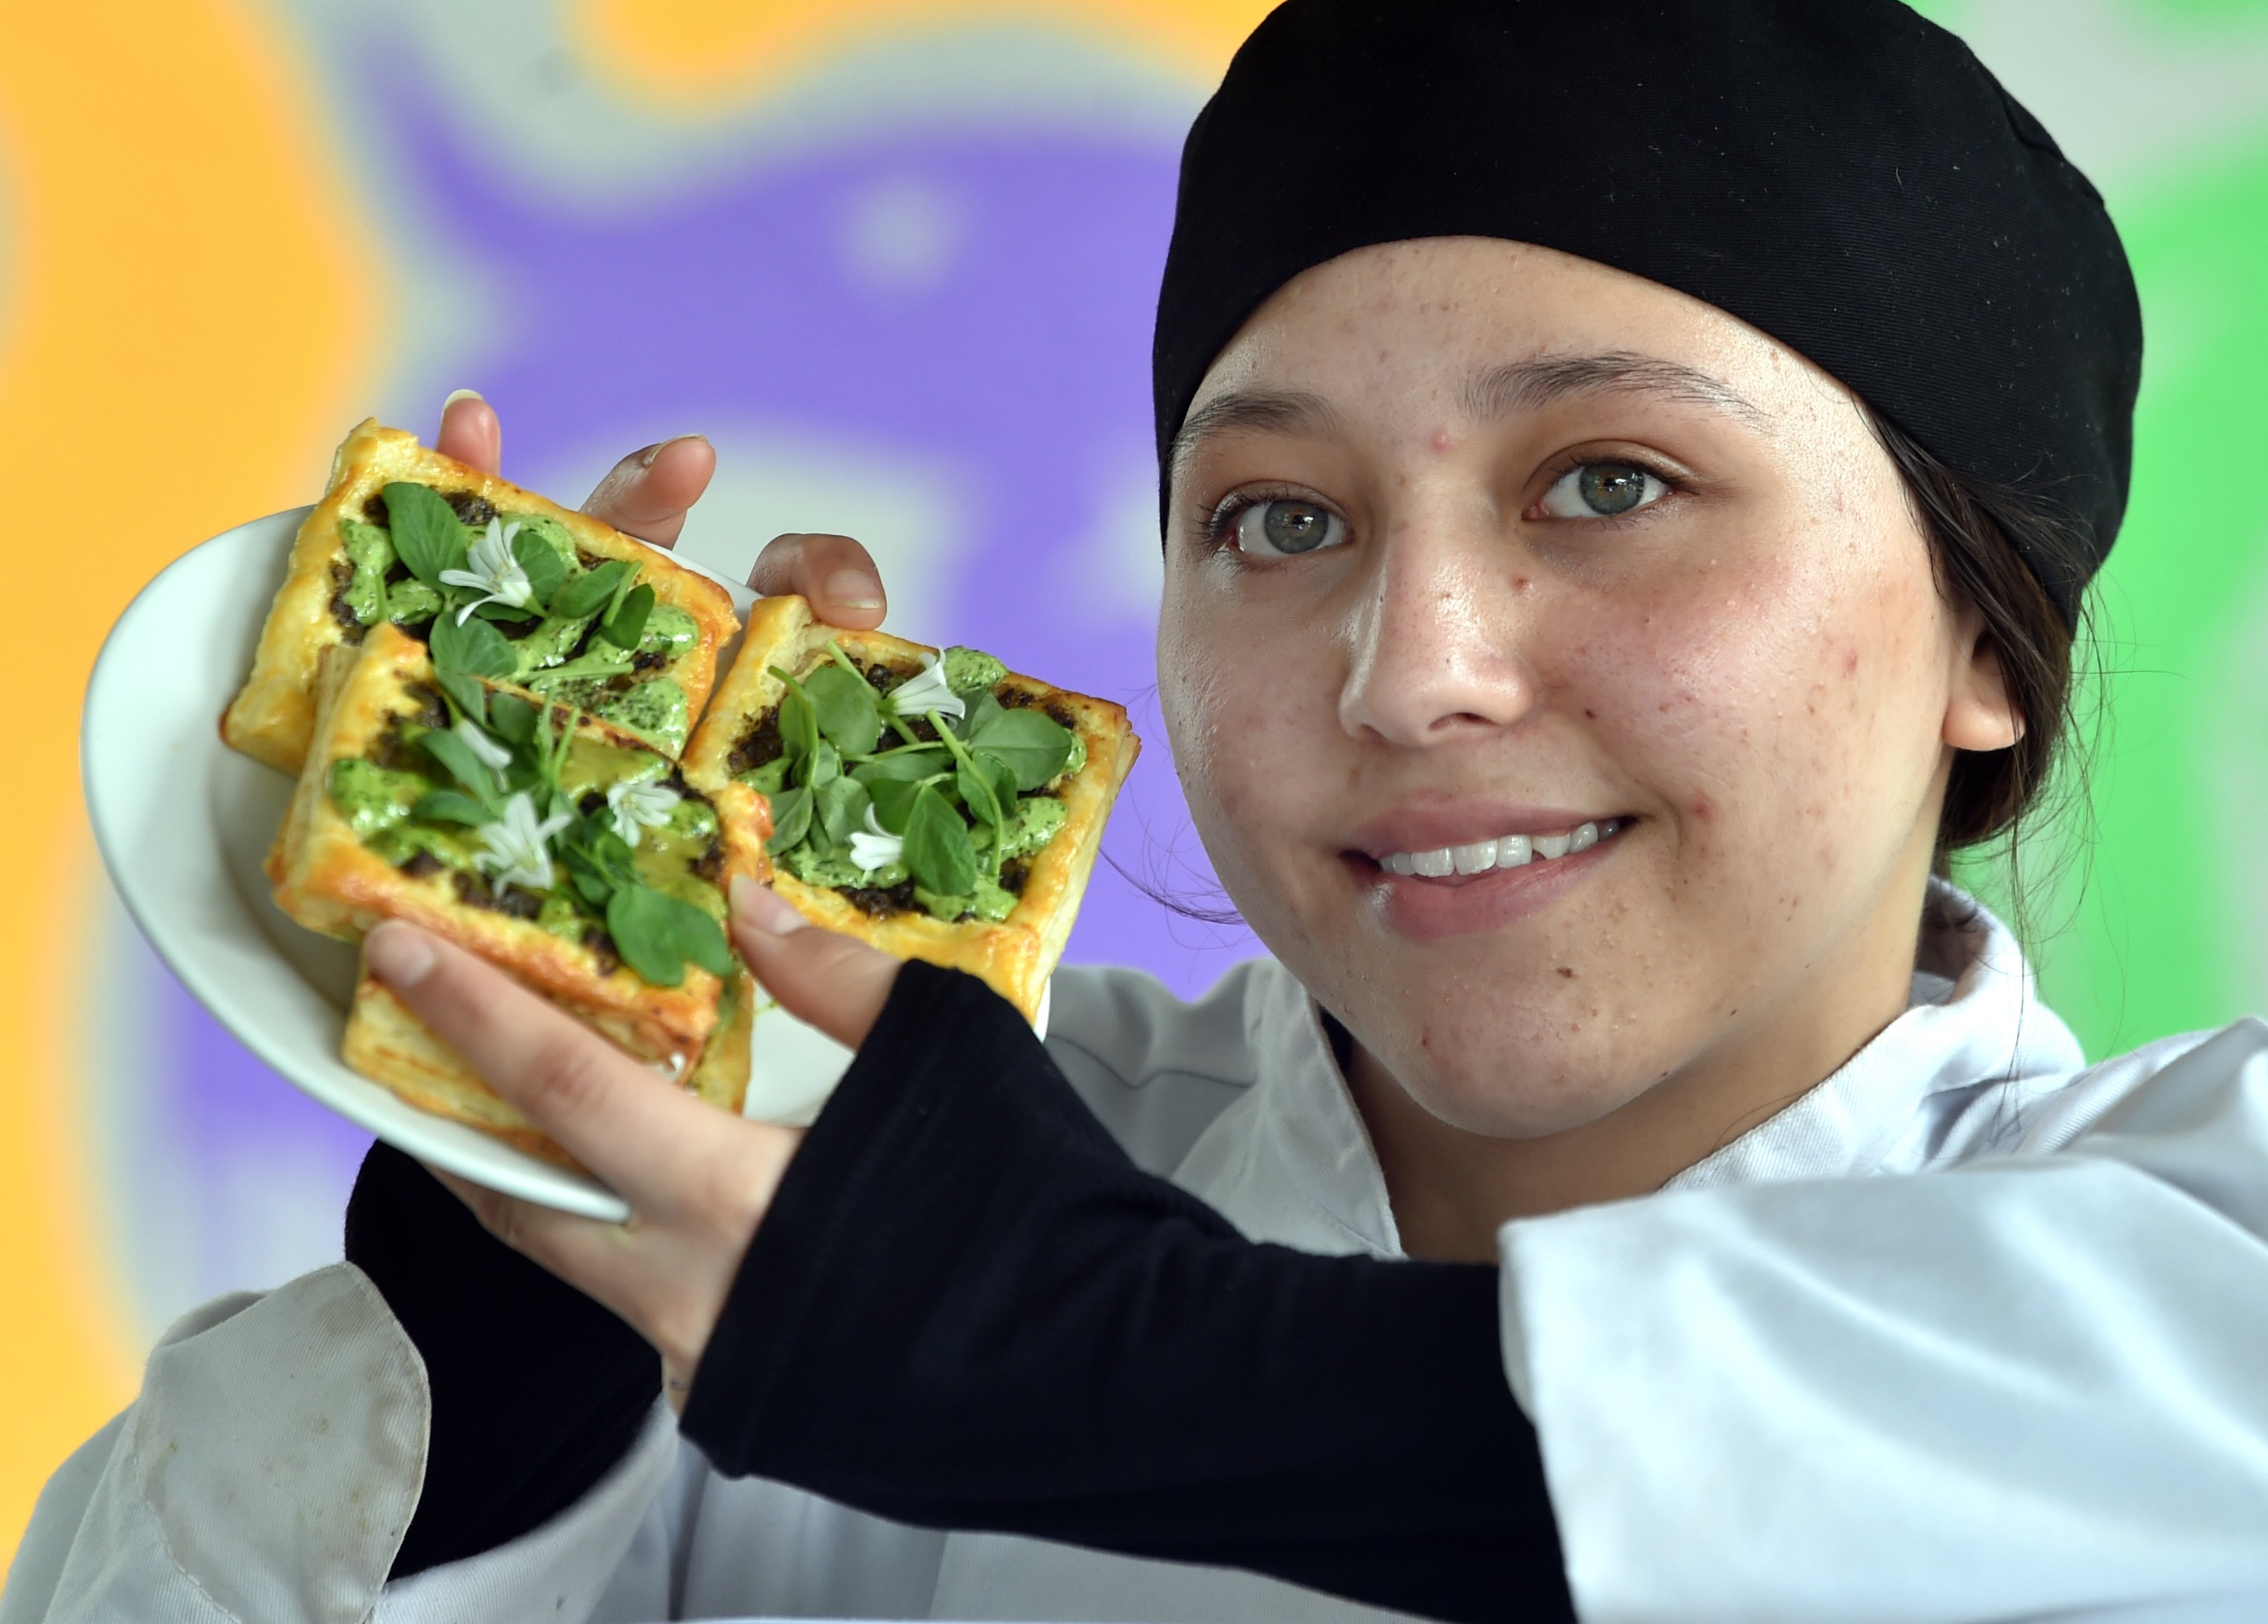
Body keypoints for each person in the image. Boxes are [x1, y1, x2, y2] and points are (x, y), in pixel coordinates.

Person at [11, 2, 2268, 1620]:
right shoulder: (846, 1170)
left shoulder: (2199, 1222)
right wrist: (519, 1303)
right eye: (1280, 520)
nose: (1413, 670)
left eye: (1612, 481)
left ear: (1993, 633)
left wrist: (1034, 1339)